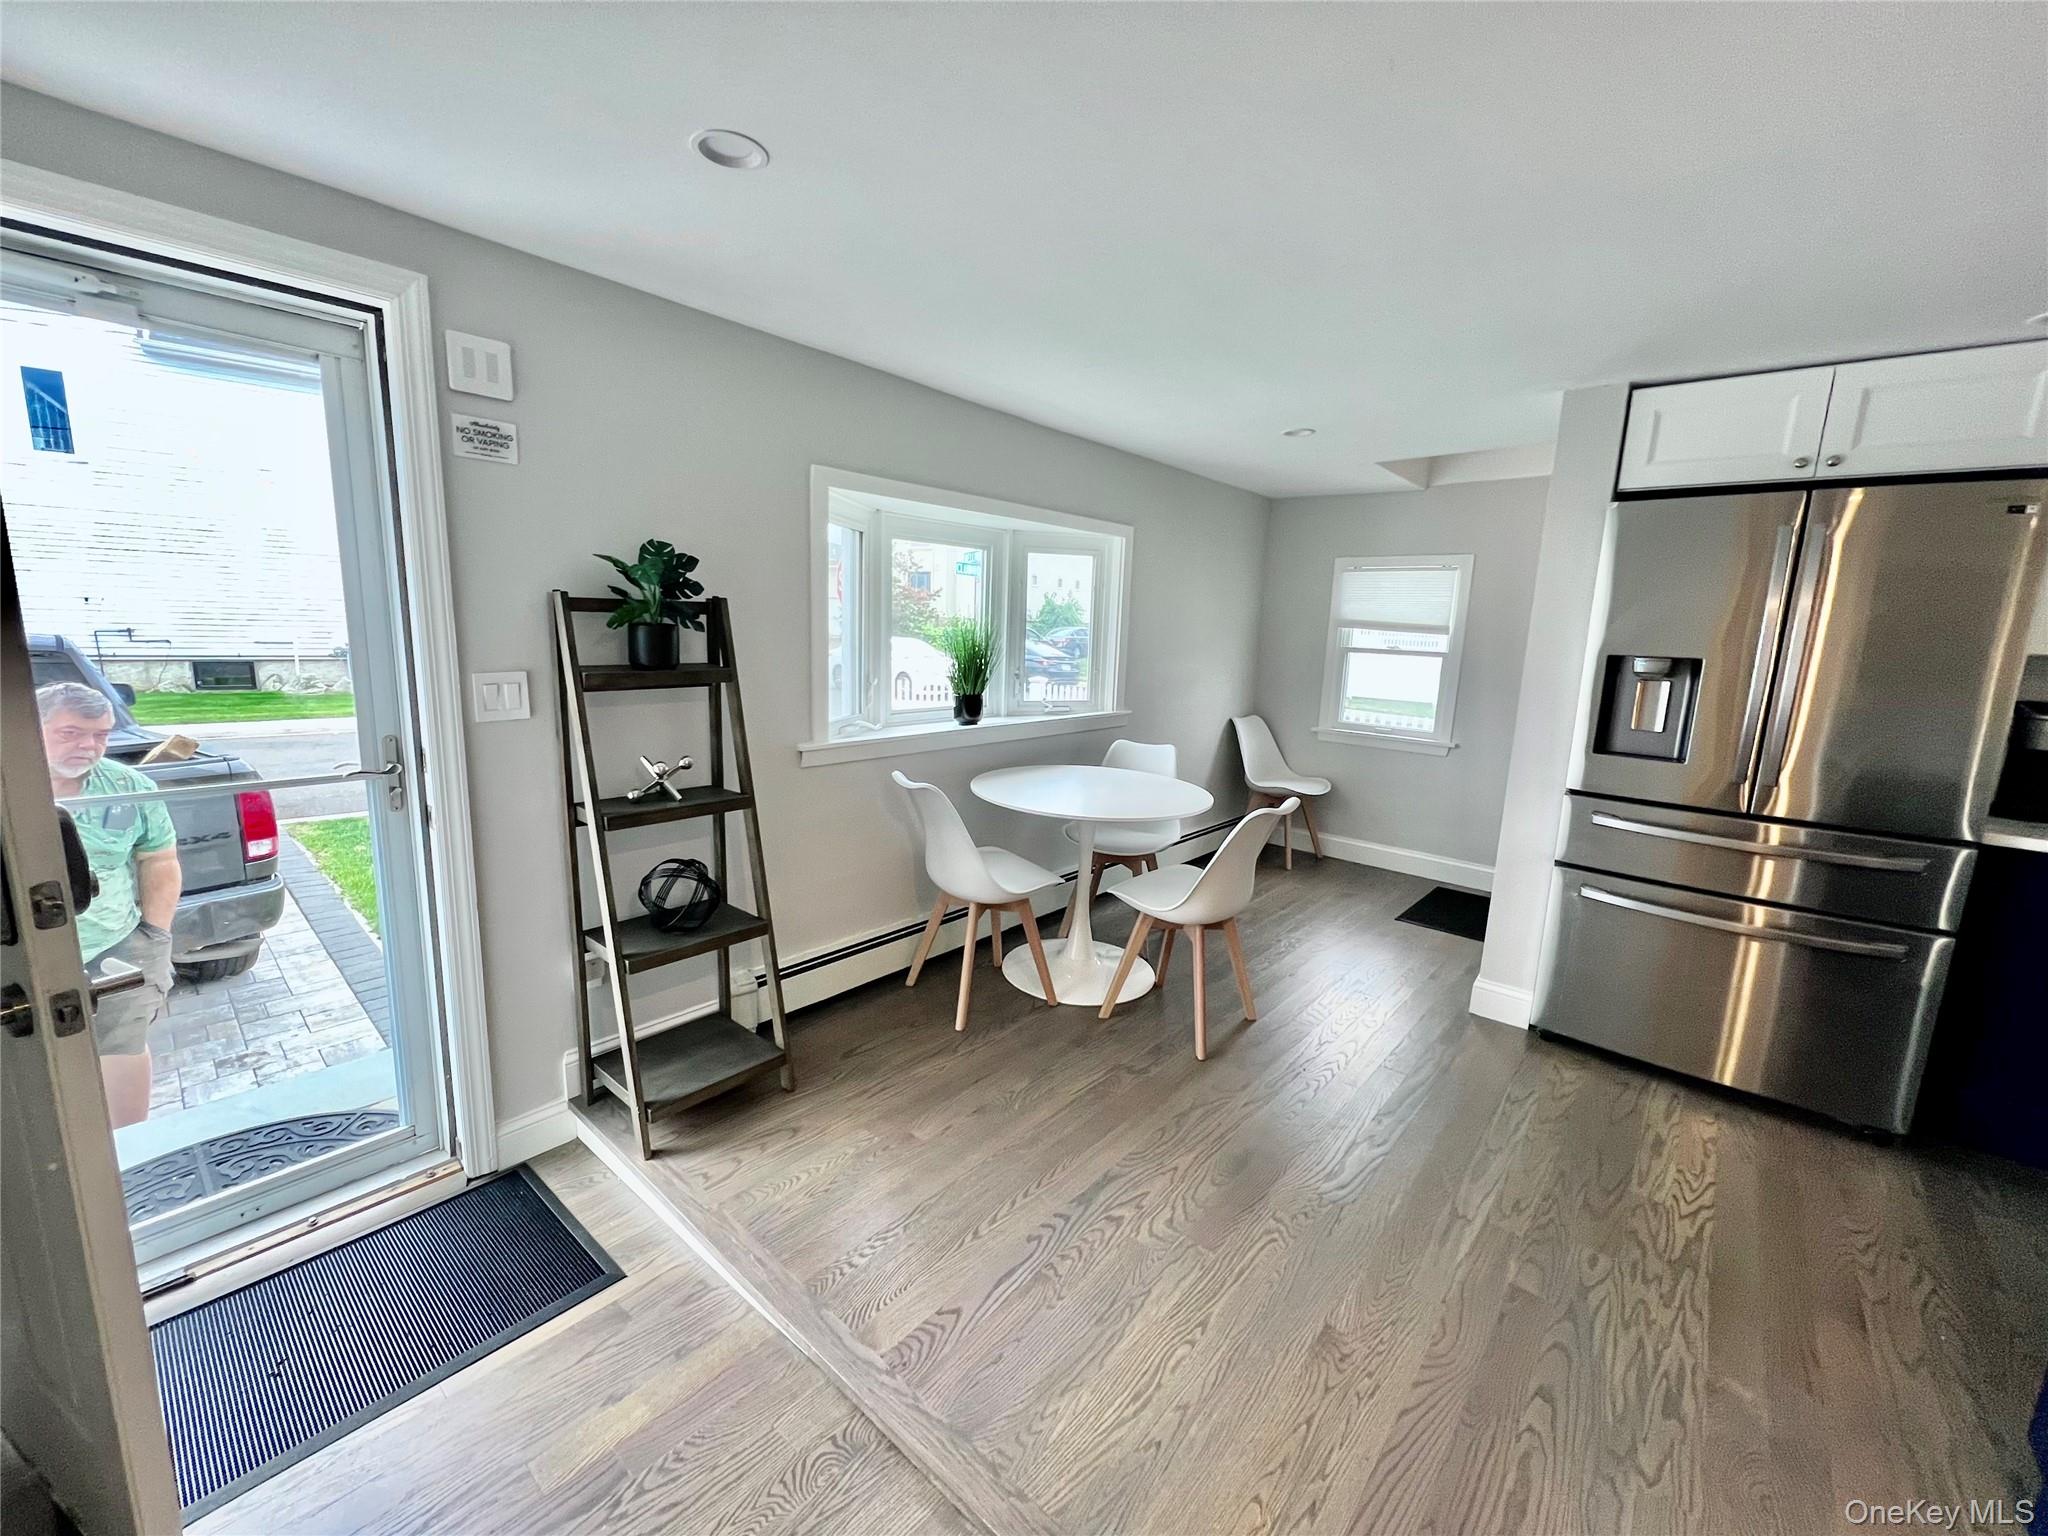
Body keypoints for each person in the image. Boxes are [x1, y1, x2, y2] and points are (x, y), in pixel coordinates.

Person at [37, 681, 181, 1128]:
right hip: (28, 955)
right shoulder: (14, 787)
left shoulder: (127, 786)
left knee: (122, 1045)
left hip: (114, 944)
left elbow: (159, 860)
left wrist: (154, 938)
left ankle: (129, 1149)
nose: (89, 745)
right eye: (71, 732)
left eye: (101, 734)